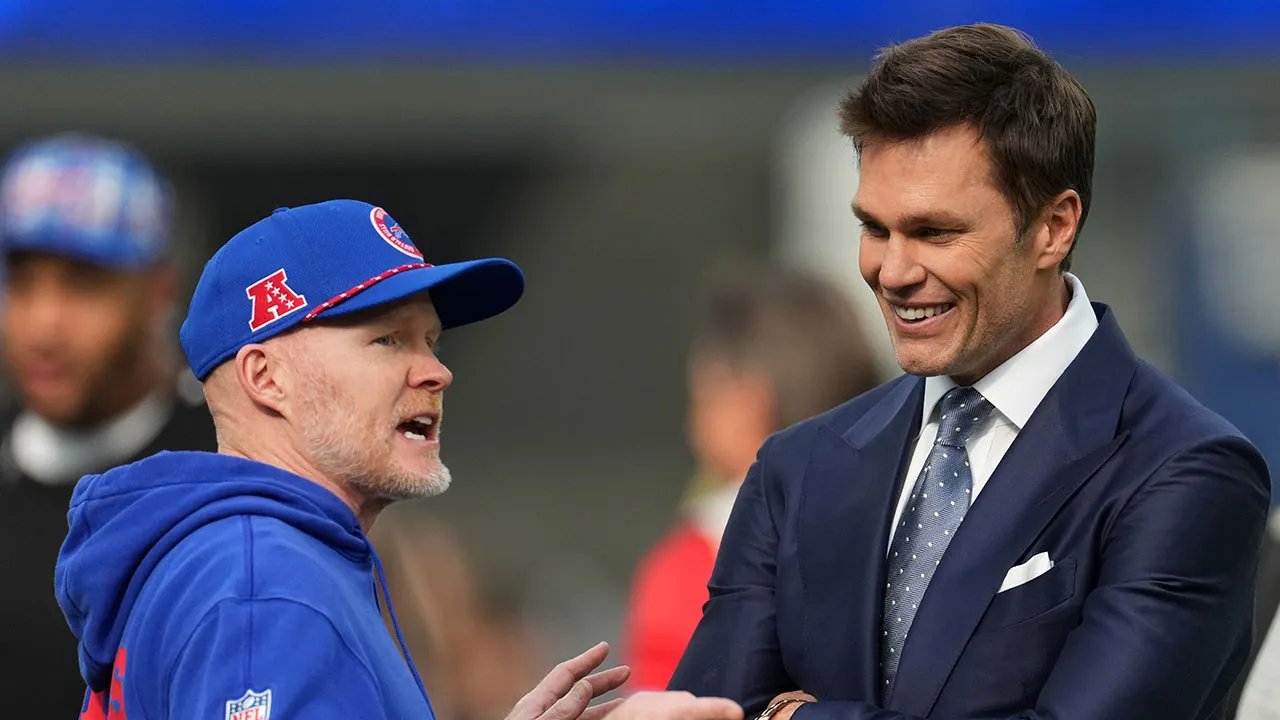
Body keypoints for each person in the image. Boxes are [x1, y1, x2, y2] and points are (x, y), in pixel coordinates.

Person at [669, 23, 1270, 720]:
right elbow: (702, 715)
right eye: (875, 229)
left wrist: (791, 717)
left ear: (1053, 227)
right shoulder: (796, 469)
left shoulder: (1185, 472)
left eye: (935, 232)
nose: (893, 271)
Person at [54, 199, 742, 720]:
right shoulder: (265, 587)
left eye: (431, 341)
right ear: (267, 378)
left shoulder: (259, 559)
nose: (437, 372)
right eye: (388, 340)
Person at [0, 133, 217, 717]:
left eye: (84, 283)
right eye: (22, 282)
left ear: (158, 294)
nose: (44, 325)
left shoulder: (228, 470)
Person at [624, 262, 880, 690]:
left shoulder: (692, 564)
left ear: (746, 400)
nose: (691, 425)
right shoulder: (912, 521)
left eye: (703, 395)